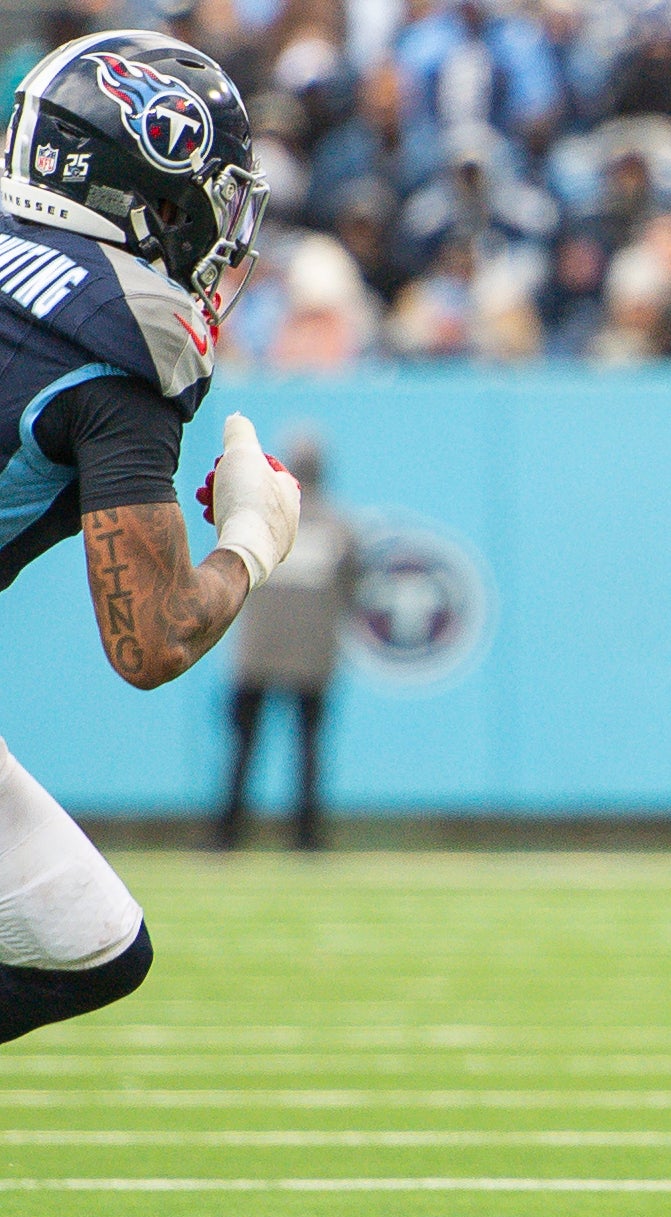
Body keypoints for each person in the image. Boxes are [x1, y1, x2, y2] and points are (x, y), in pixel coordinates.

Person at [0, 30, 301, 1043]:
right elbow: (153, 638)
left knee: (87, 937)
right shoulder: (120, 335)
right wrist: (251, 542)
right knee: (89, 945)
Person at [216, 432, 360, 851]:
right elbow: (354, 590)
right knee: (308, 752)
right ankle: (307, 837)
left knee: (242, 749)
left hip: (256, 653)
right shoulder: (339, 526)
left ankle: (227, 835)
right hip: (313, 656)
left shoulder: (261, 521)